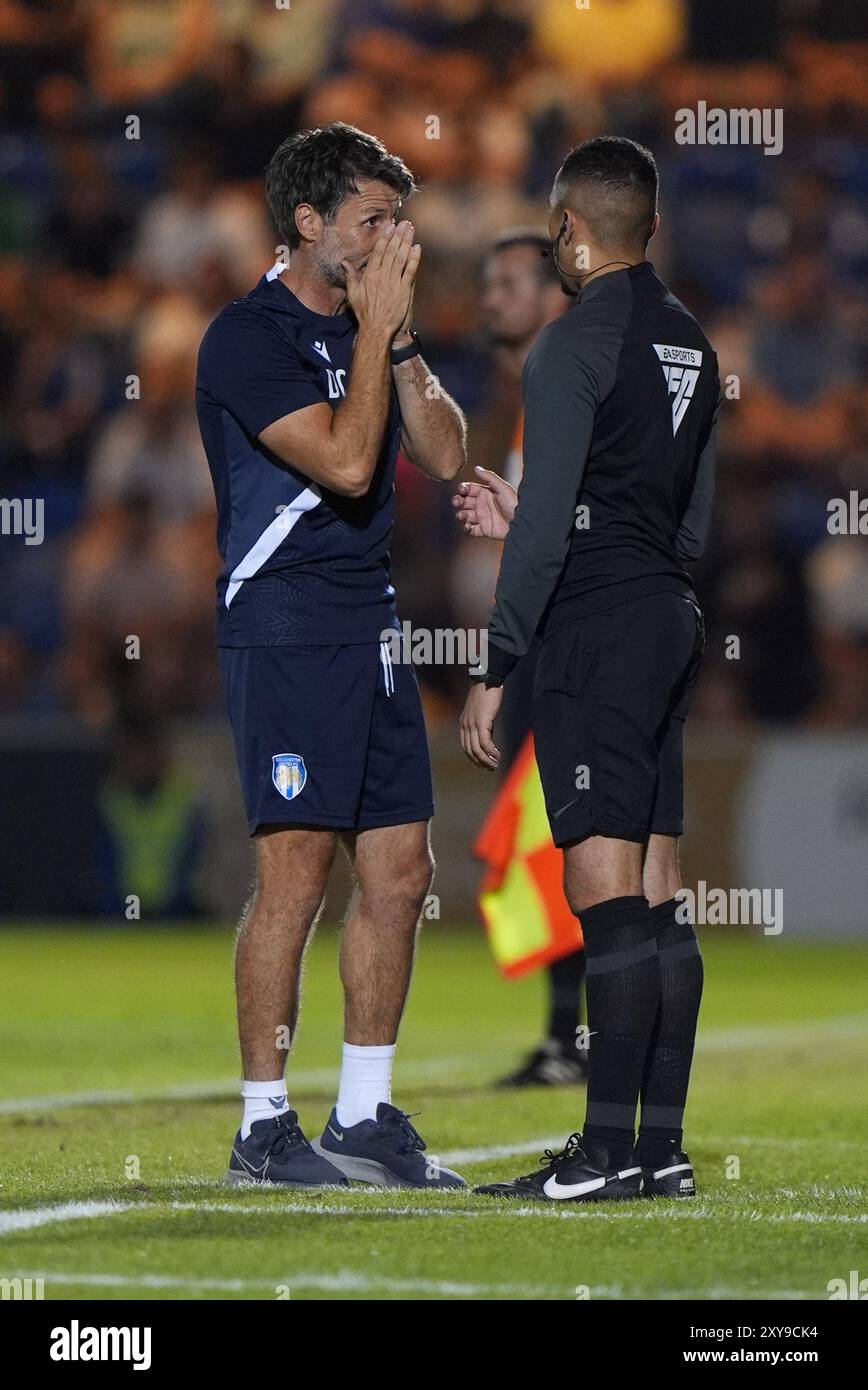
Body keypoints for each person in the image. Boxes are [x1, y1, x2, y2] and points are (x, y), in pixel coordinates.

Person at [196, 122, 468, 1189]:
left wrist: (395, 339)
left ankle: (363, 1113)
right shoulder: (245, 338)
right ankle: (264, 1125)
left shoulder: (374, 323)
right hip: (285, 621)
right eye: (370, 220)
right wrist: (376, 330)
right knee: (296, 877)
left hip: (371, 620)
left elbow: (445, 453)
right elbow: (353, 466)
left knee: (401, 873)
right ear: (306, 224)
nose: (391, 239)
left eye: (398, 218)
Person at [457, 136, 720, 1203]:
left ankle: (602, 1154)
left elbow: (543, 542)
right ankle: (659, 1149)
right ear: (648, 227)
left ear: (567, 230)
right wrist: (607, 548)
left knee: (599, 888)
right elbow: (688, 518)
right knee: (658, 888)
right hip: (666, 613)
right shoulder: (694, 342)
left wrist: (496, 660)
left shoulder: (568, 346)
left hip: (591, 630)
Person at [466, 229, 588, 1087]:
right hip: (552, 644)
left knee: (578, 842)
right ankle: (567, 1037)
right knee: (558, 844)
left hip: (569, 646)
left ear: (555, 296)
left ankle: (583, 1041)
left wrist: (499, 662)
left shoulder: (566, 387)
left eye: (506, 283)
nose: (488, 299)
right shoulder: (533, 397)